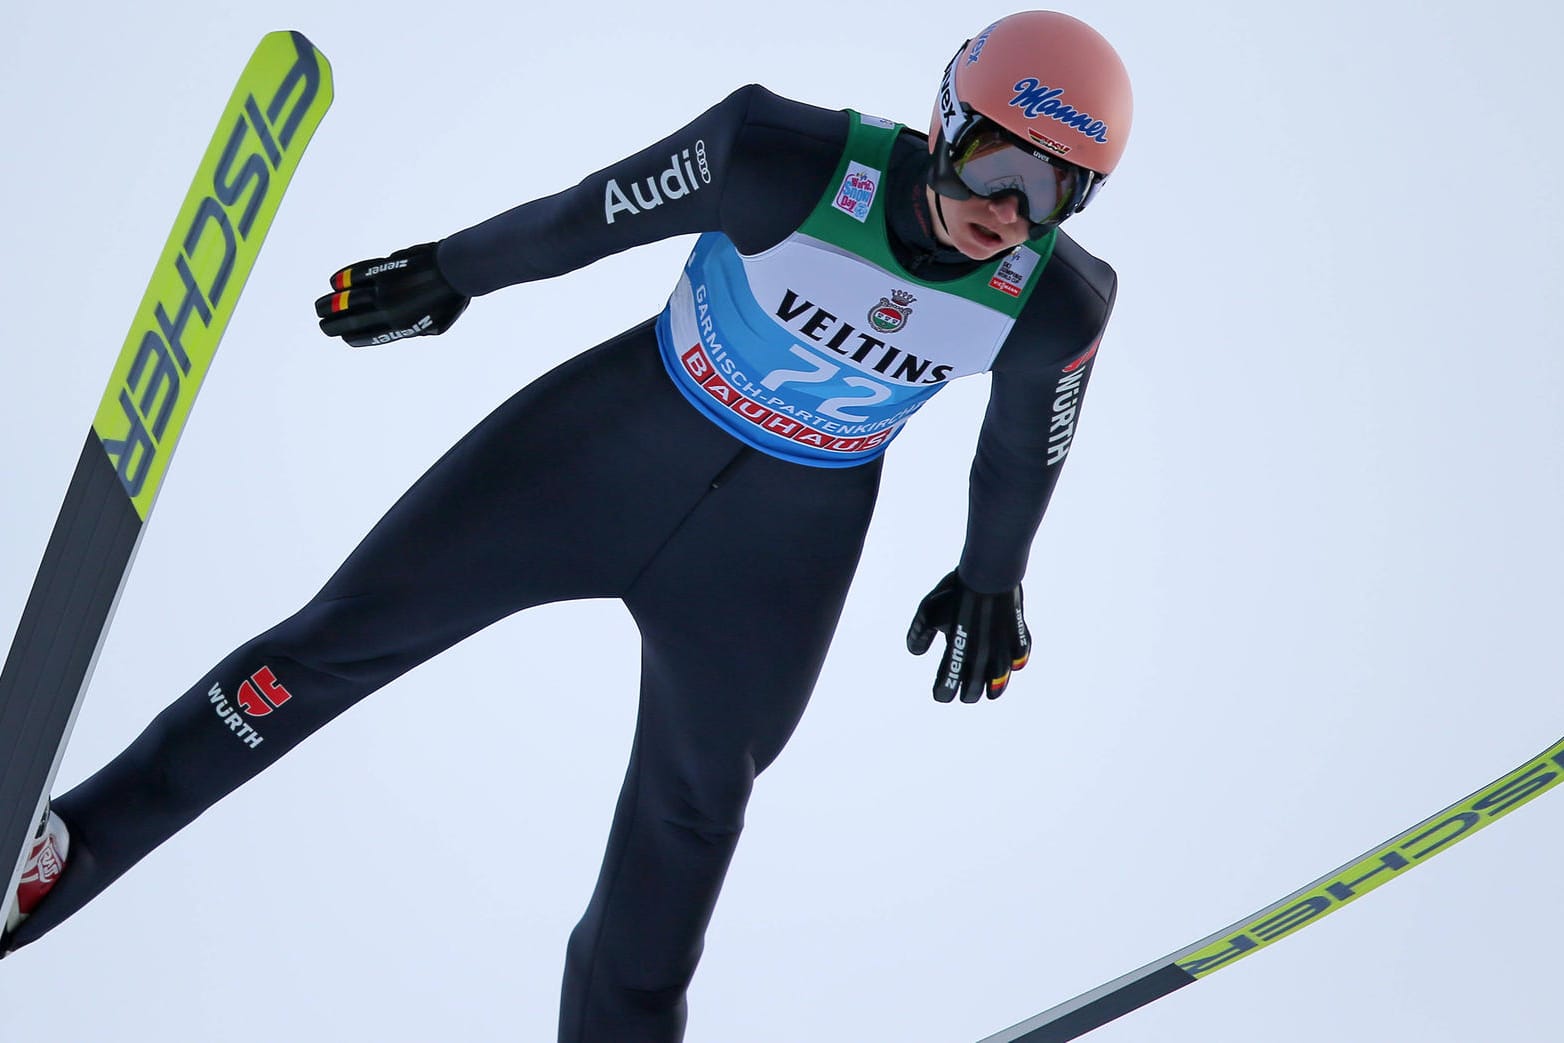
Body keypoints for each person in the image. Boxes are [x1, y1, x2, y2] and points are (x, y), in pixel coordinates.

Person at [3, 10, 1131, 1041]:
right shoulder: (781, 157)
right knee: (330, 643)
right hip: (596, 452)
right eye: (1001, 163)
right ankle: (63, 853)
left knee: (693, 818)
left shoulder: (1054, 302)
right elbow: (592, 213)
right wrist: (449, 274)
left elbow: (1025, 444)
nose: (1011, 211)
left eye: (1057, 190)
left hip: (777, 555)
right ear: (945, 124)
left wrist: (993, 574)